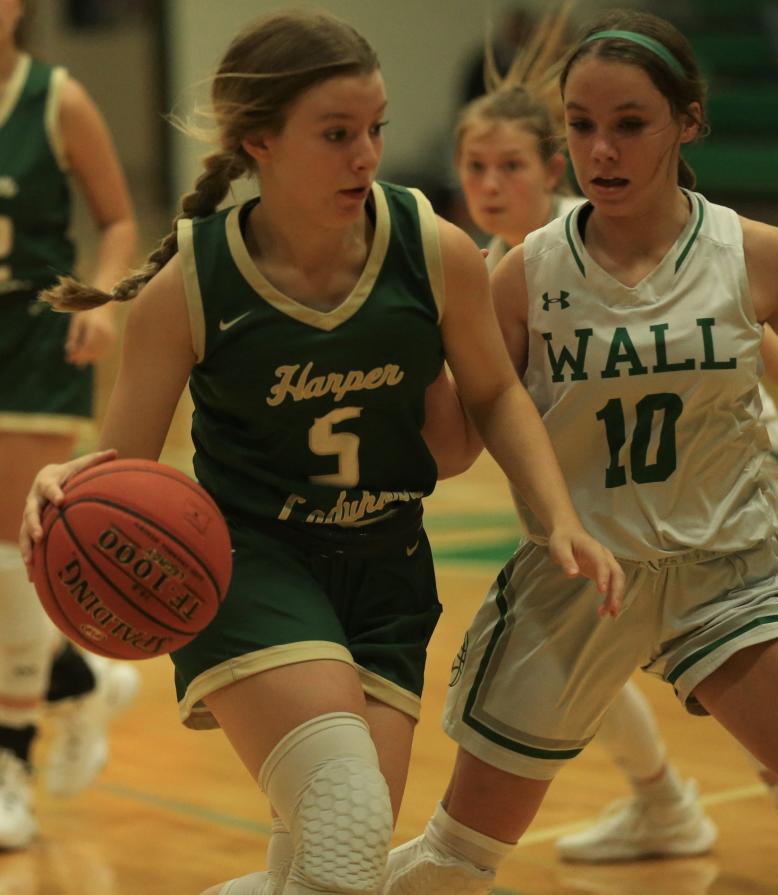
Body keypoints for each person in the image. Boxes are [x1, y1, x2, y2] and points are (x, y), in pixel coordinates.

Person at [18, 10, 623, 894]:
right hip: (250, 565)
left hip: (388, 572)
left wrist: (558, 517)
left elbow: (493, 392)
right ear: (258, 141)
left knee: (333, 867)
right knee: (346, 811)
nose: (367, 155)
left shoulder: (430, 248)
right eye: (337, 135)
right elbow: (125, 470)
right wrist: (65, 485)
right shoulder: (193, 283)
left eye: (375, 129)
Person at [381, 11, 778, 895]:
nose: (600, 150)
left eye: (628, 124)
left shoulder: (754, 254)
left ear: (688, 122)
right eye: (580, 125)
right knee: (449, 868)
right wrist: (410, 350)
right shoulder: (524, 274)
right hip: (575, 583)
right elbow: (454, 446)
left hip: (727, 572)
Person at [0, 0, 139, 849]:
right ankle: (81, 676)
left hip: (36, 334)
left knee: (10, 553)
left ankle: (10, 762)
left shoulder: (56, 97)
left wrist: (102, 298)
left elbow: (119, 220)